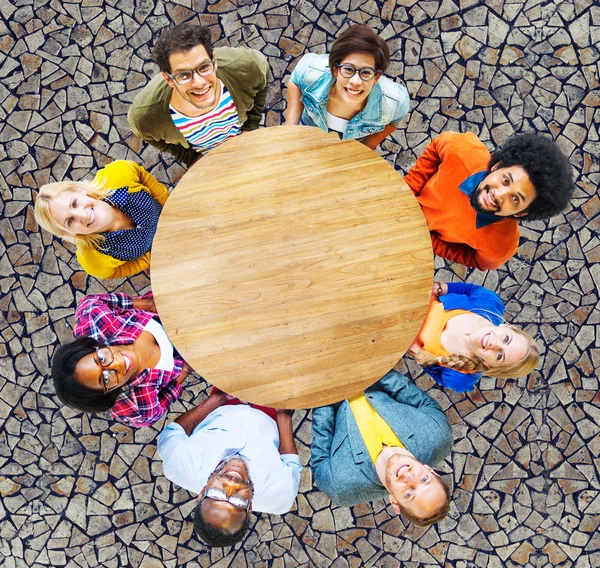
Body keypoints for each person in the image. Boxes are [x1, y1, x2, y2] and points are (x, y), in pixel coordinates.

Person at [404, 131, 575, 270]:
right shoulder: (463, 150)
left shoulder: (501, 246)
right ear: (497, 166)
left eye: (515, 199)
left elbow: (477, 261)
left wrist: (427, 241)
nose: (499, 195)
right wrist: (408, 192)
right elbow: (437, 145)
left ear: (521, 212)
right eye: (506, 180)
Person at [157, 389, 301, 547]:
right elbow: (290, 462)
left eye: (216, 494)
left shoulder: (177, 461)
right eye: (238, 502)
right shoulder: (281, 495)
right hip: (271, 413)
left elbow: (175, 431)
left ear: (201, 493)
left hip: (226, 402)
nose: (232, 485)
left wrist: (218, 398)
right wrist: (283, 414)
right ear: (250, 508)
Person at [311, 370, 453, 526]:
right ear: (430, 470)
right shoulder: (438, 434)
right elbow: (418, 400)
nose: (409, 477)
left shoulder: (341, 488)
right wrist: (370, 367)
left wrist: (323, 385)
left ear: (395, 503)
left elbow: (320, 459)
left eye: (409, 493)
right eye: (424, 479)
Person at [128, 23, 270, 167]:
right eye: (184, 75)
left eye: (204, 67)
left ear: (214, 61)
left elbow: (263, 73)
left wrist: (250, 126)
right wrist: (192, 158)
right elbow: (146, 133)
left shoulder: (247, 65)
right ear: (168, 79)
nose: (199, 83)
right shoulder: (145, 114)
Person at [51, 292, 193, 428]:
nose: (118, 363)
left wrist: (149, 305)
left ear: (92, 347)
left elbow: (88, 303)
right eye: (106, 379)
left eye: (101, 358)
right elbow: (155, 413)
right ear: (108, 393)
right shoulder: (136, 406)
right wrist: (186, 369)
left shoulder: (95, 322)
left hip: (176, 302)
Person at [34, 160, 168, 280]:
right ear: (68, 233)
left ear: (78, 190)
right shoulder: (93, 261)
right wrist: (150, 258)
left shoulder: (118, 174)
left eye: (74, 203)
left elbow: (139, 171)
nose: (83, 215)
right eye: (70, 221)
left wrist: (169, 207)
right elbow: (112, 273)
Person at [285, 25, 409, 149]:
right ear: (335, 70)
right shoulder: (312, 72)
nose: (356, 81)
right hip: (307, 131)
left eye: (366, 72)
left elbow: (398, 115)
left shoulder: (394, 100)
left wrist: (366, 147)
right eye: (349, 69)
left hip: (351, 147)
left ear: (376, 77)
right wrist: (291, 129)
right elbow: (297, 78)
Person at [407, 281, 540, 393]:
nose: (495, 344)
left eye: (500, 355)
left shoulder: (460, 377)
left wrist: (419, 354)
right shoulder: (488, 303)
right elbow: (470, 289)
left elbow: (438, 375)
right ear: (508, 327)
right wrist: (444, 288)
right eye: (506, 339)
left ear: (491, 366)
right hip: (410, 292)